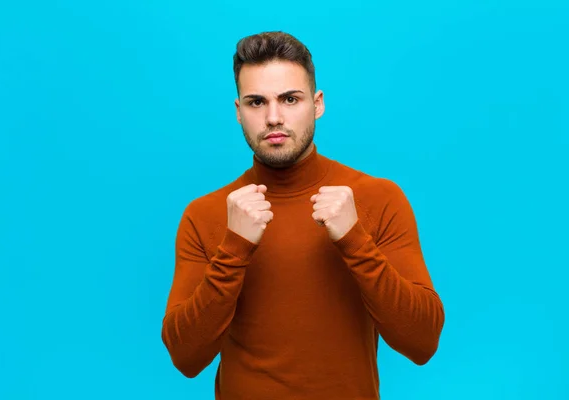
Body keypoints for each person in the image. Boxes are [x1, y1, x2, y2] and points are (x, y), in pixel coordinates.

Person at [161, 31, 445, 399]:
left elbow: (422, 342)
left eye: (290, 99)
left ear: (317, 103)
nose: (273, 117)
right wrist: (234, 249)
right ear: (238, 111)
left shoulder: (378, 198)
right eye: (256, 102)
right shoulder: (206, 215)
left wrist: (354, 241)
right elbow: (186, 357)